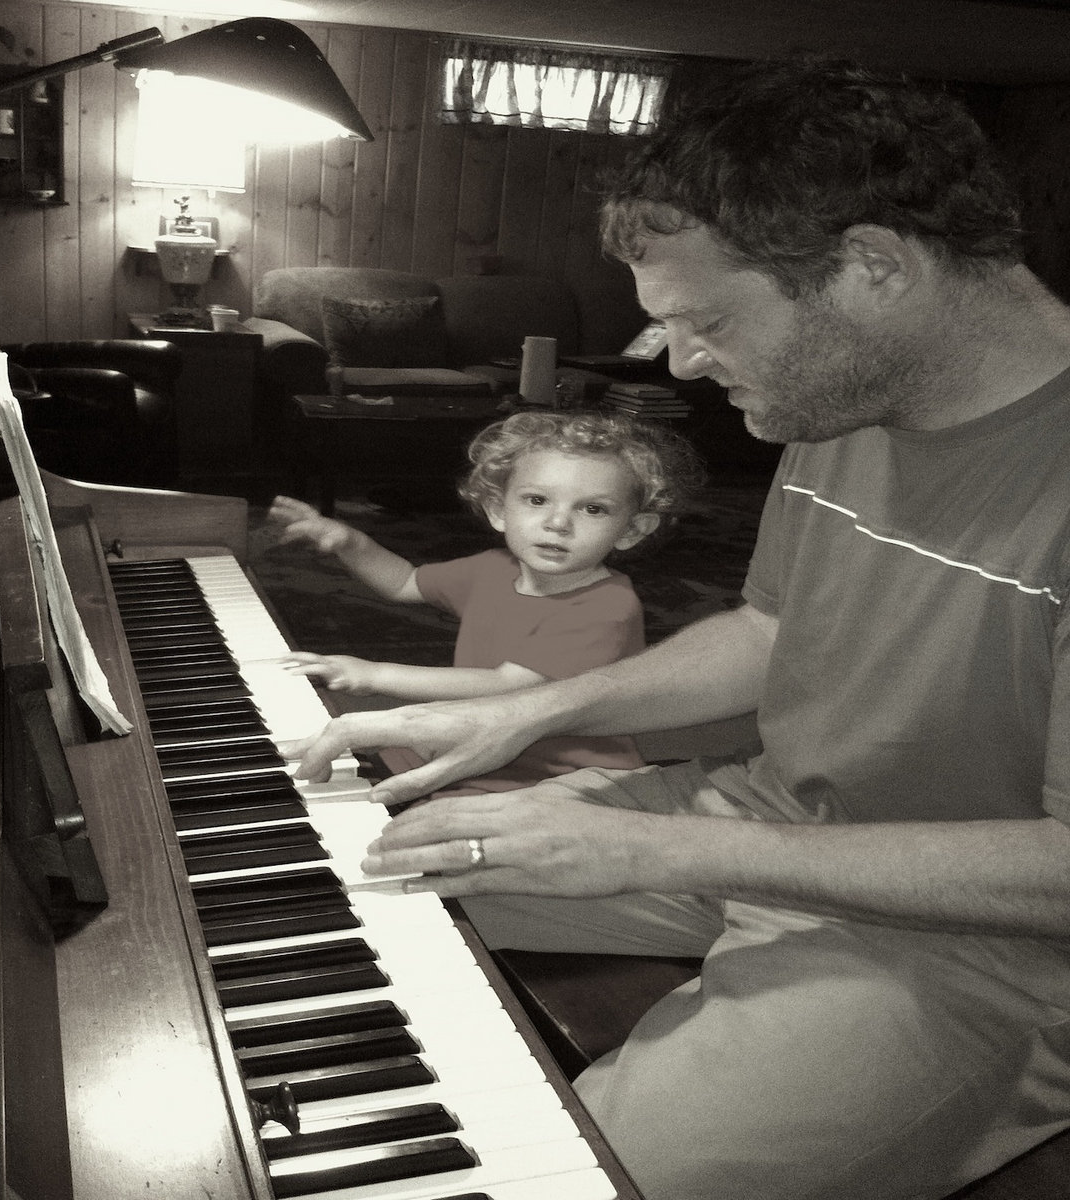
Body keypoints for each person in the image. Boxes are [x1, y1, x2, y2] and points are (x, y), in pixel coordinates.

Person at [282, 58, 1070, 1200]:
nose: (681, 363)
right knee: (325, 873)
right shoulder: (852, 398)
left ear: (873, 267)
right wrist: (533, 712)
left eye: (705, 322)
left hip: (988, 944)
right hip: (770, 817)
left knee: (582, 1180)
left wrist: (656, 849)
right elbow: (769, 627)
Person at [268, 409, 699, 793]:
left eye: (592, 509)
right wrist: (352, 544)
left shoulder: (607, 609)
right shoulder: (493, 568)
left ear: (631, 530)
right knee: (311, 770)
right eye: (537, 500)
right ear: (498, 510)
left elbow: (508, 686)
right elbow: (406, 582)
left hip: (557, 779)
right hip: (471, 743)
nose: (557, 523)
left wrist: (374, 674)